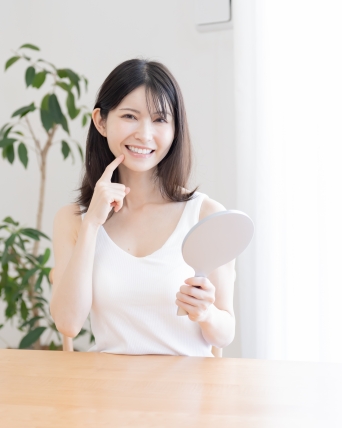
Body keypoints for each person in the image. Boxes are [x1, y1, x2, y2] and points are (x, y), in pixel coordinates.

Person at [50, 59, 235, 357]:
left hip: (186, 385)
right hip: (106, 384)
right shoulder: (73, 220)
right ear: (100, 121)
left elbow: (225, 334)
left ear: (175, 129)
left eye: (160, 120)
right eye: (130, 116)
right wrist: (91, 224)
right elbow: (68, 324)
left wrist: (207, 314)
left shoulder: (206, 215)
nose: (145, 134)